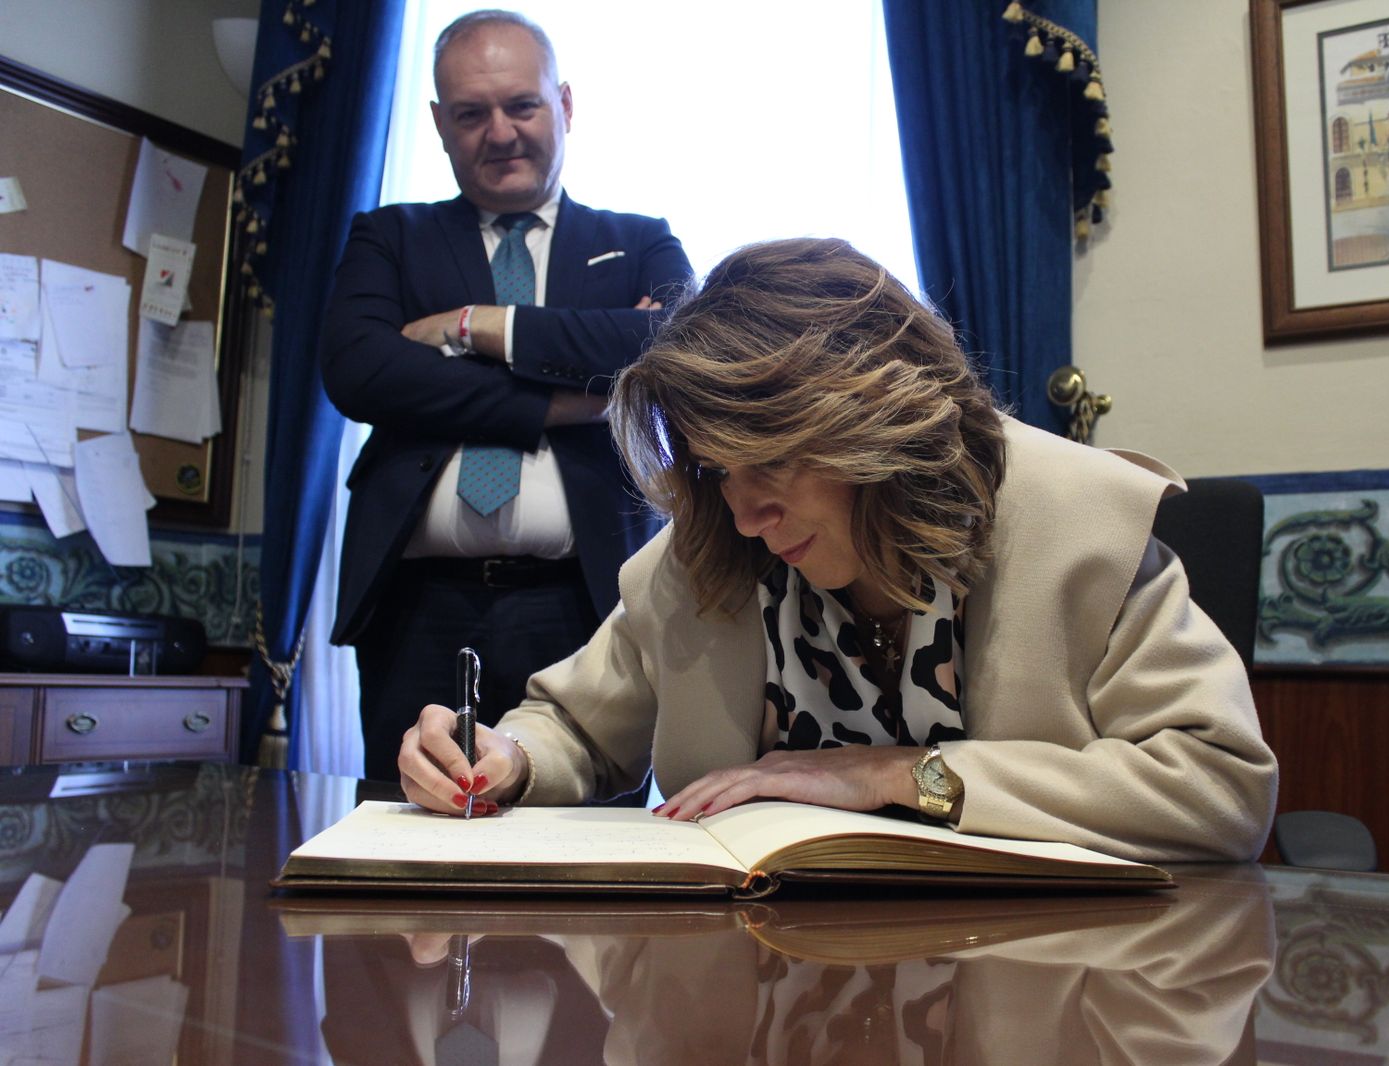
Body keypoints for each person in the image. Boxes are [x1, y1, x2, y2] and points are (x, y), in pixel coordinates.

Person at [399, 237, 1277, 861]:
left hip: (1034, 984)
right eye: (715, 471)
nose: (745, 514)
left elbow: (1219, 785)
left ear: (876, 422)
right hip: (759, 995)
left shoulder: (1076, 525)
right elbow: (576, 728)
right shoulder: (713, 550)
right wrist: (501, 762)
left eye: (774, 461)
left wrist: (898, 776)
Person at [320, 10, 693, 780]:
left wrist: (476, 326)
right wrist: (566, 401)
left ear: (564, 104)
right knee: (407, 827)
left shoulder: (638, 239)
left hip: (586, 604)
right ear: (438, 123)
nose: (500, 132)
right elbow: (358, 371)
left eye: (521, 106)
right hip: (413, 607)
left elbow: (670, 349)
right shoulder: (389, 238)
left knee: (589, 841)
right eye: (471, 114)